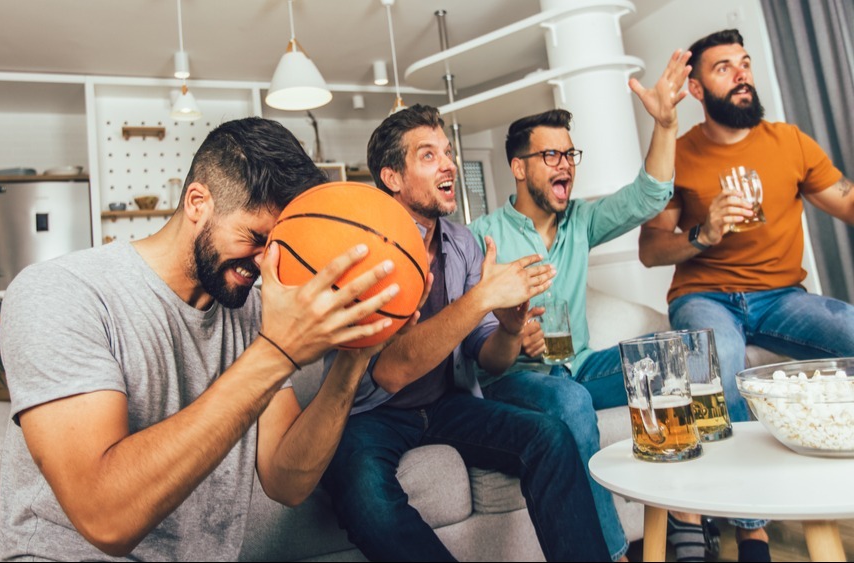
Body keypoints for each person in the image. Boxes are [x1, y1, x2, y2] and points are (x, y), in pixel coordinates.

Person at [0, 117, 410, 561]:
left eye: (280, 244)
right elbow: (105, 518)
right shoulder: (60, 292)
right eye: (255, 238)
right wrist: (277, 351)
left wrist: (353, 358)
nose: (267, 263)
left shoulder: (251, 311)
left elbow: (286, 482)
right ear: (197, 202)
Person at [318, 103, 611, 562]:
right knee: (364, 497)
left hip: (446, 404)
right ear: (392, 177)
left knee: (549, 437)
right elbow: (392, 372)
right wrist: (481, 299)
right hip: (369, 413)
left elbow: (489, 357)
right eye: (429, 155)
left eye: (448, 152)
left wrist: (510, 329)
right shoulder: (363, 251)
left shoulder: (462, 243)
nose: (450, 163)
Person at [638, 29, 854, 563]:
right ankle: (751, 531)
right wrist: (703, 235)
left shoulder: (791, 142)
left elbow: (846, 201)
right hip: (704, 293)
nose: (741, 75)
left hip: (782, 296)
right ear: (695, 88)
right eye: (723, 67)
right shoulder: (680, 155)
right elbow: (650, 249)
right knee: (719, 363)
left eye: (745, 63)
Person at [467, 50, 691, 562]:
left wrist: (665, 123)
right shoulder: (482, 238)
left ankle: (688, 521)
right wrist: (509, 334)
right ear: (518, 167)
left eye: (570, 155)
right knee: (568, 404)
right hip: (516, 377)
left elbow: (649, 195)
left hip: (579, 364)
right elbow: (470, 329)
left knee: (671, 355)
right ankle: (613, 554)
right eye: (551, 156)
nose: (565, 164)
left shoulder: (582, 222)